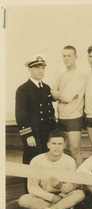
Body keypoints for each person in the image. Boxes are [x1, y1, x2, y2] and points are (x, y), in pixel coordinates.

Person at [18, 129, 85, 209]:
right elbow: (32, 187)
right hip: (44, 197)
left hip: (63, 195)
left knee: (80, 194)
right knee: (23, 200)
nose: (56, 147)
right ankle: (63, 208)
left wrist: (61, 187)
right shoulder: (37, 161)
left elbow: (72, 186)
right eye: (54, 143)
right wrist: (52, 197)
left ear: (64, 146)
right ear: (48, 145)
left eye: (60, 144)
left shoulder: (69, 161)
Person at [15, 54, 57, 192]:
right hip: (33, 134)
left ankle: (45, 190)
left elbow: (49, 113)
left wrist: (54, 134)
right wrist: (28, 135)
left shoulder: (46, 88)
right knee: (31, 161)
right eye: (37, 68)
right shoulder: (23, 89)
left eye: (43, 68)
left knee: (46, 162)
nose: (41, 71)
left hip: (47, 133)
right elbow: (21, 115)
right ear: (30, 70)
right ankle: (29, 191)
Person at [51, 45, 85, 167]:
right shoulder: (61, 75)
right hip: (61, 117)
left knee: (75, 150)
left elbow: (65, 97)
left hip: (74, 117)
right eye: (64, 56)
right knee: (64, 151)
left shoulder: (79, 74)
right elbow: (52, 95)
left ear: (76, 57)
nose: (66, 58)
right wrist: (62, 94)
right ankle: (68, 180)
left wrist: (60, 94)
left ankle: (80, 181)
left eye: (69, 56)